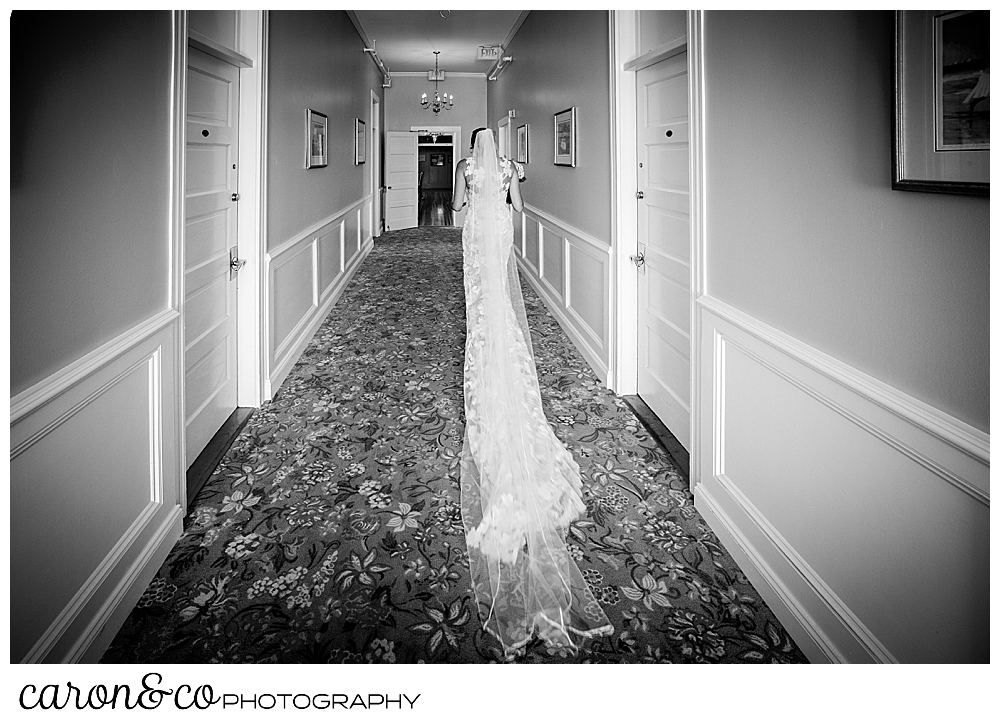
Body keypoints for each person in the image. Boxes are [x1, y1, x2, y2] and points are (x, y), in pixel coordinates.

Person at [450, 127, 613, 659]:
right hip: (497, 232)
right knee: (499, 299)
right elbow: (518, 208)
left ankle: (488, 357)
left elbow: (455, 208)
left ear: (473, 147)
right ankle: (507, 363)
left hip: (477, 230)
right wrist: (510, 184)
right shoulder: (506, 169)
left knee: (481, 307)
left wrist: (476, 198)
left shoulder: (466, 169)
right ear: (497, 146)